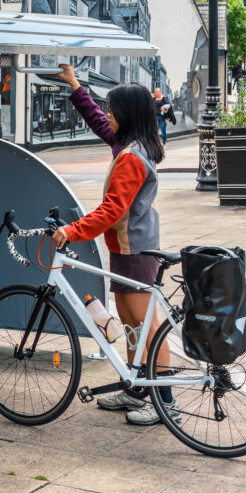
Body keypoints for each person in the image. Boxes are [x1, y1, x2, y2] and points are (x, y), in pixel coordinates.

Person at [51, 64, 179, 426]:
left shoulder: (131, 158)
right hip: (127, 248)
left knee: (147, 326)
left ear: (128, 115)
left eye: (113, 109)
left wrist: (73, 231)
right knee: (131, 324)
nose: (108, 115)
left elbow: (111, 210)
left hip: (136, 251)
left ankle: (164, 401)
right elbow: (98, 122)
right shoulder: (130, 144)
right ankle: (139, 388)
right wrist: (77, 86)